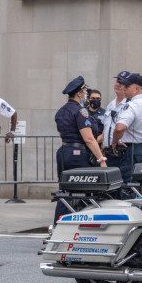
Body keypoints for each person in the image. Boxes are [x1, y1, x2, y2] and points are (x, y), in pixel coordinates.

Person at [53, 77, 107, 224]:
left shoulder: (61, 111)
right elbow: (89, 138)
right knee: (88, 191)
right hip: (80, 155)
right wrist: (101, 159)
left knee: (65, 192)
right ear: (79, 94)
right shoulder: (80, 111)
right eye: (85, 93)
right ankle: (84, 225)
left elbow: (62, 134)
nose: (86, 96)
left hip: (64, 153)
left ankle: (58, 226)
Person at [111, 73, 142, 189]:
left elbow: (119, 127)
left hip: (134, 152)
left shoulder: (131, 106)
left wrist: (114, 141)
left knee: (129, 186)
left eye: (127, 86)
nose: (124, 89)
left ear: (136, 88)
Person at [102, 72, 128, 167]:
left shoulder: (129, 105)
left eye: (121, 83)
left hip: (121, 151)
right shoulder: (110, 104)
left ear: (127, 86)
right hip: (108, 152)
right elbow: (106, 127)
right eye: (117, 81)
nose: (117, 84)